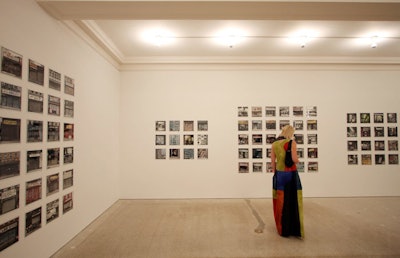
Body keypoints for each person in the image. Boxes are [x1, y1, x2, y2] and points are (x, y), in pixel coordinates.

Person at [271, 125, 304, 239]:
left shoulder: (274, 144)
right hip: (290, 174)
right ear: (290, 133)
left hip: (280, 175)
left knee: (281, 201)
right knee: (292, 200)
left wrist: (276, 173)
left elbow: (272, 163)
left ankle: (282, 229)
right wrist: (299, 161)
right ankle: (293, 228)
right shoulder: (291, 143)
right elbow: (294, 159)